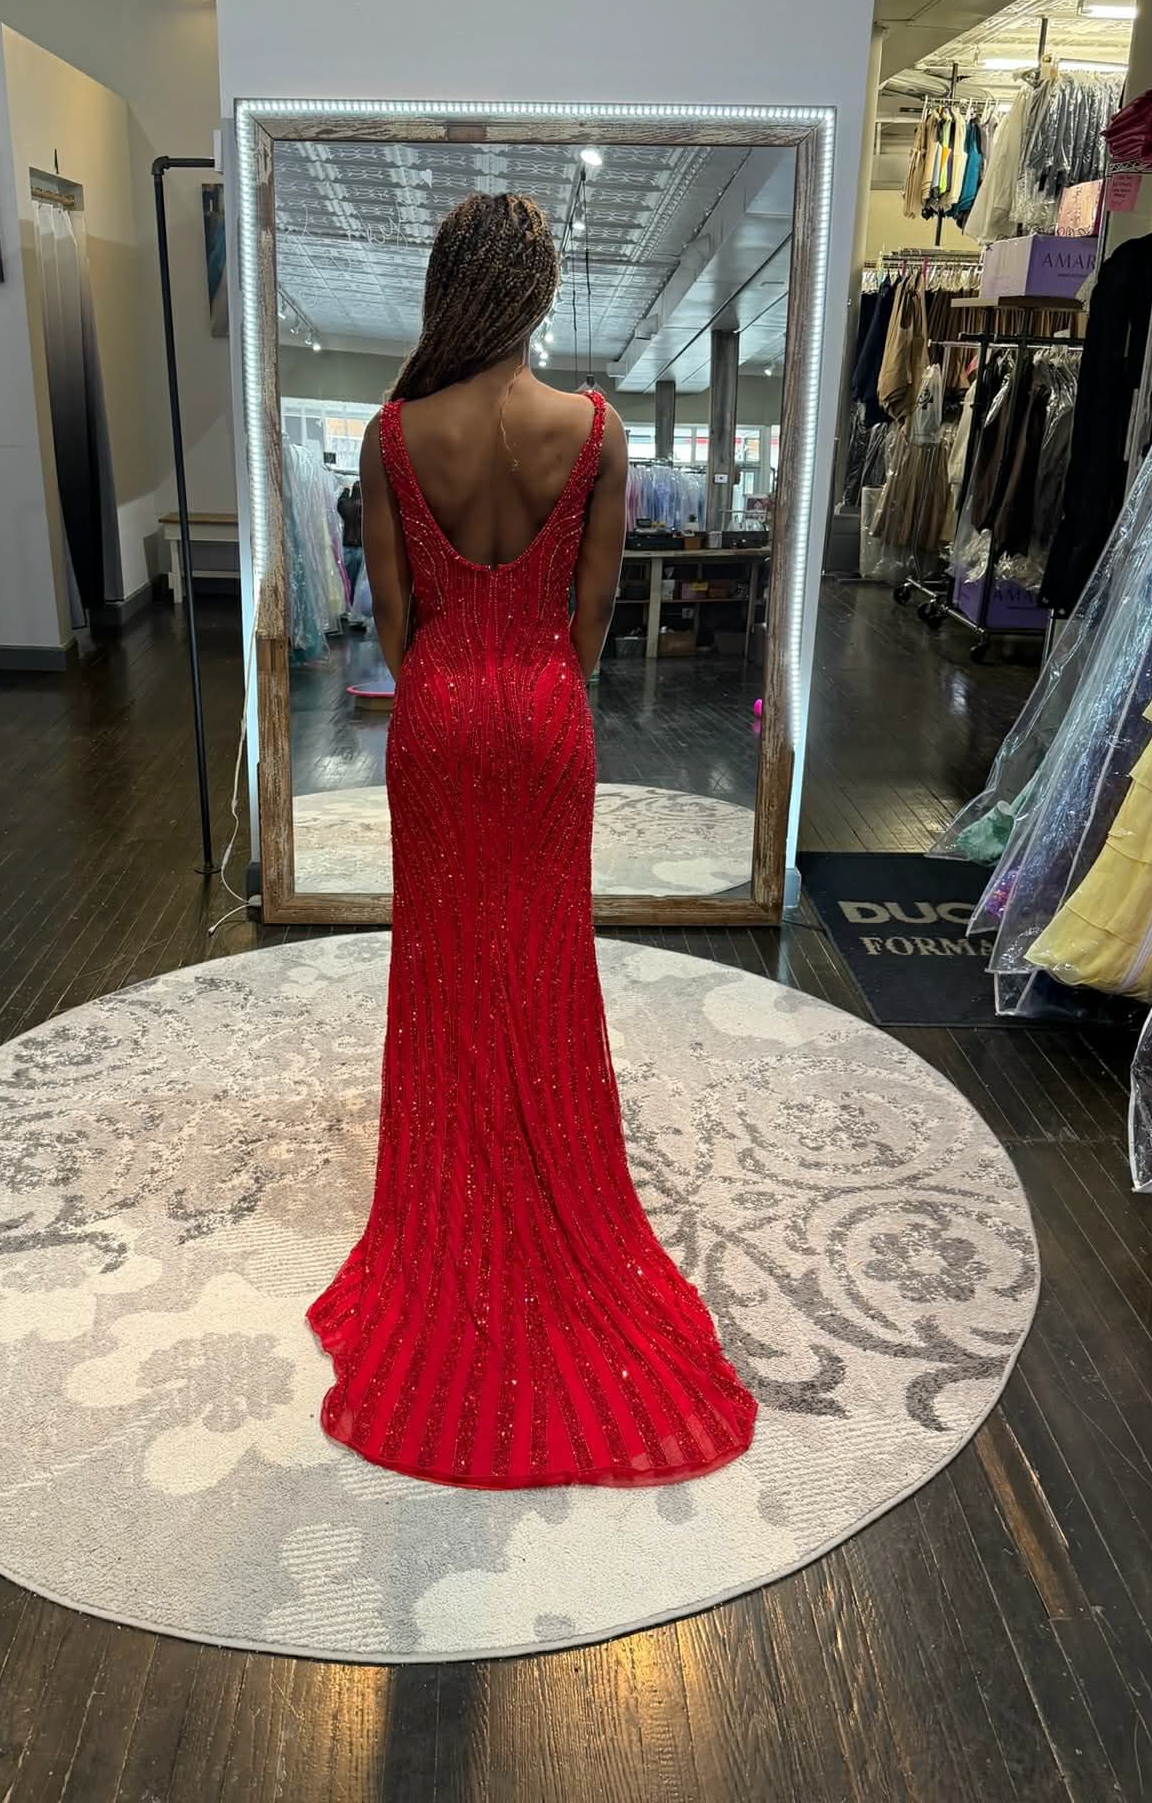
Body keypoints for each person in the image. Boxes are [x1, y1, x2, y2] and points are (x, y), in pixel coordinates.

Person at [307, 191, 757, 1488]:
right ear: (540, 298)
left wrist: (455, 676)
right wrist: (535, 681)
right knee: (545, 968)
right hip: (548, 721)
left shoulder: (397, 435)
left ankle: (456, 1197)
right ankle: (543, 1173)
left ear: (451, 294)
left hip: (440, 723)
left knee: (445, 974)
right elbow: (597, 611)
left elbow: (390, 625)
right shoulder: (596, 433)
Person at [336, 479, 364, 613]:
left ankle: (350, 606)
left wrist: (346, 490)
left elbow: (340, 504)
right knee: (361, 581)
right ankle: (358, 610)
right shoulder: (366, 506)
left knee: (348, 581)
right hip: (362, 549)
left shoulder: (347, 506)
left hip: (348, 547)